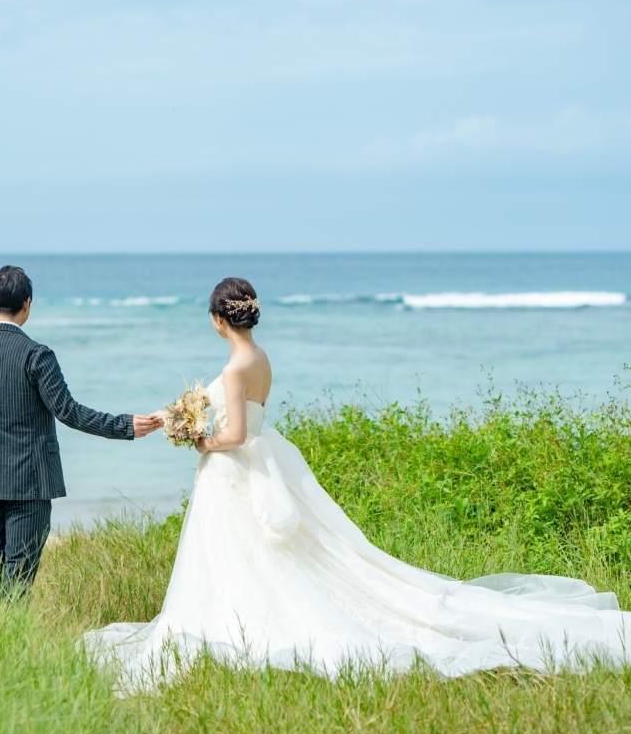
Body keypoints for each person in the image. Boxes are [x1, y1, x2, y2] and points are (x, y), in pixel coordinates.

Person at [85, 276, 631, 692]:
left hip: (237, 468)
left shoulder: (233, 369)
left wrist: (201, 442)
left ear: (217, 320)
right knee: (290, 553)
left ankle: (239, 623)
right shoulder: (260, 357)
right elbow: (252, 416)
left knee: (240, 556)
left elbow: (233, 435)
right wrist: (175, 416)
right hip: (269, 458)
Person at [0, 265, 161, 596]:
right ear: (27, 304)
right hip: (29, 485)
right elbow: (69, 412)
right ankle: (10, 642)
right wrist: (125, 426)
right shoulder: (37, 355)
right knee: (19, 573)